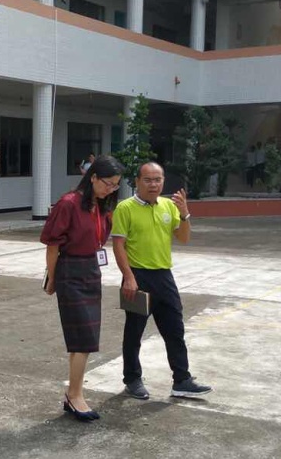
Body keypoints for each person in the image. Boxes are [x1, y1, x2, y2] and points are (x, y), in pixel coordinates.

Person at [111, 162, 212, 400]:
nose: (153, 184)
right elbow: (118, 245)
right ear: (137, 181)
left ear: (163, 181)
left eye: (158, 180)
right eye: (148, 180)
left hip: (164, 276)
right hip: (138, 276)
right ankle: (132, 379)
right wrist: (128, 277)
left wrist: (185, 213)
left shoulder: (168, 206)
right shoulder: (125, 208)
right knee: (134, 332)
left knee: (175, 329)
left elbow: (184, 238)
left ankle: (182, 380)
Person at [40, 155, 123, 421]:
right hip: (71, 272)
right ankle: (75, 395)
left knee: (82, 339)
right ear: (93, 177)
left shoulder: (101, 205)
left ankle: (73, 394)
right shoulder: (69, 203)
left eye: (116, 185)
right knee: (84, 339)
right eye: (108, 183)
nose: (111, 189)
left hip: (91, 270)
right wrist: (52, 278)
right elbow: (53, 246)